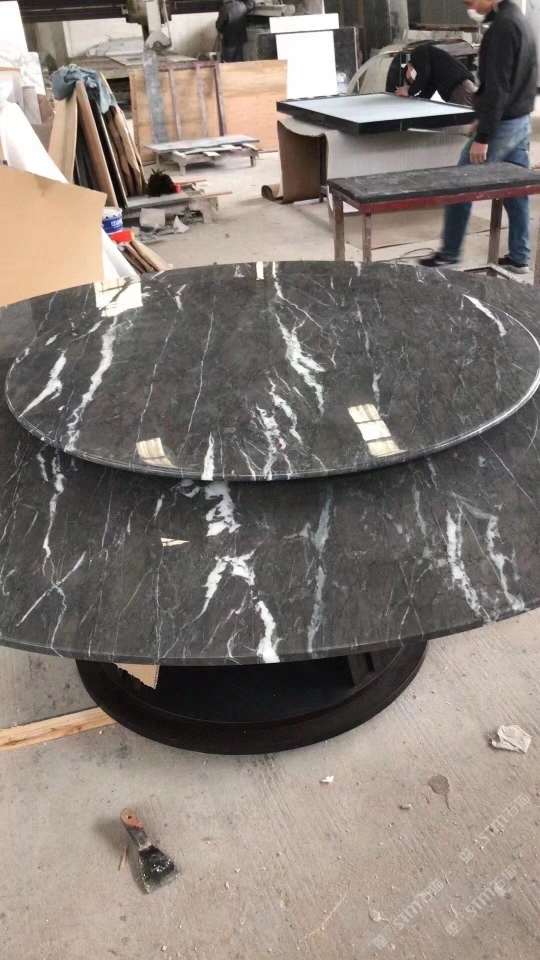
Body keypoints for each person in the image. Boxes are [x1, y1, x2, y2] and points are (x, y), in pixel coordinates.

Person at [421, 0, 538, 274]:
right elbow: (516, 81)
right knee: (516, 190)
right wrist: (482, 115)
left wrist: (484, 136)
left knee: (460, 185)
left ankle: (449, 253)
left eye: (471, 0)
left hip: (502, 127)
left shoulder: (502, 28)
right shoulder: (519, 21)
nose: (470, 4)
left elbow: (498, 86)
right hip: (520, 120)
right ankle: (520, 256)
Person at [395, 45, 477, 107]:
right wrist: (414, 99)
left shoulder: (417, 52)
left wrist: (409, 91)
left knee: (465, 120)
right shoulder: (431, 67)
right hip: (458, 90)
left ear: (409, 66)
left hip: (460, 89)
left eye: (411, 78)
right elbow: (428, 90)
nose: (413, 80)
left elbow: (423, 74)